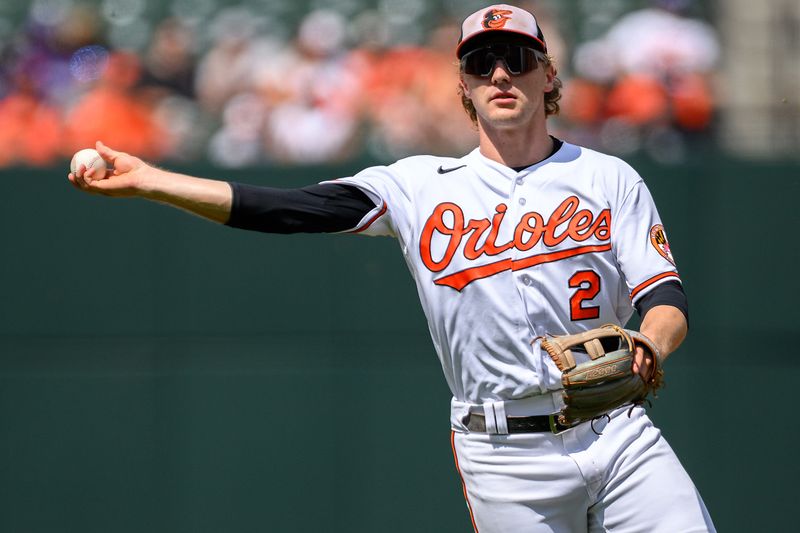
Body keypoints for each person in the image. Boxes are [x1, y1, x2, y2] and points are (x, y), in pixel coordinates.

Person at [68, 4, 715, 532]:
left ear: (547, 74)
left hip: (619, 431)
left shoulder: (608, 177)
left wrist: (649, 341)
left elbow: (667, 295)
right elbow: (287, 209)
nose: (499, 74)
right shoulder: (419, 186)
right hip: (503, 452)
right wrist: (153, 180)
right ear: (462, 84)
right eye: (480, 62)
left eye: (516, 59)